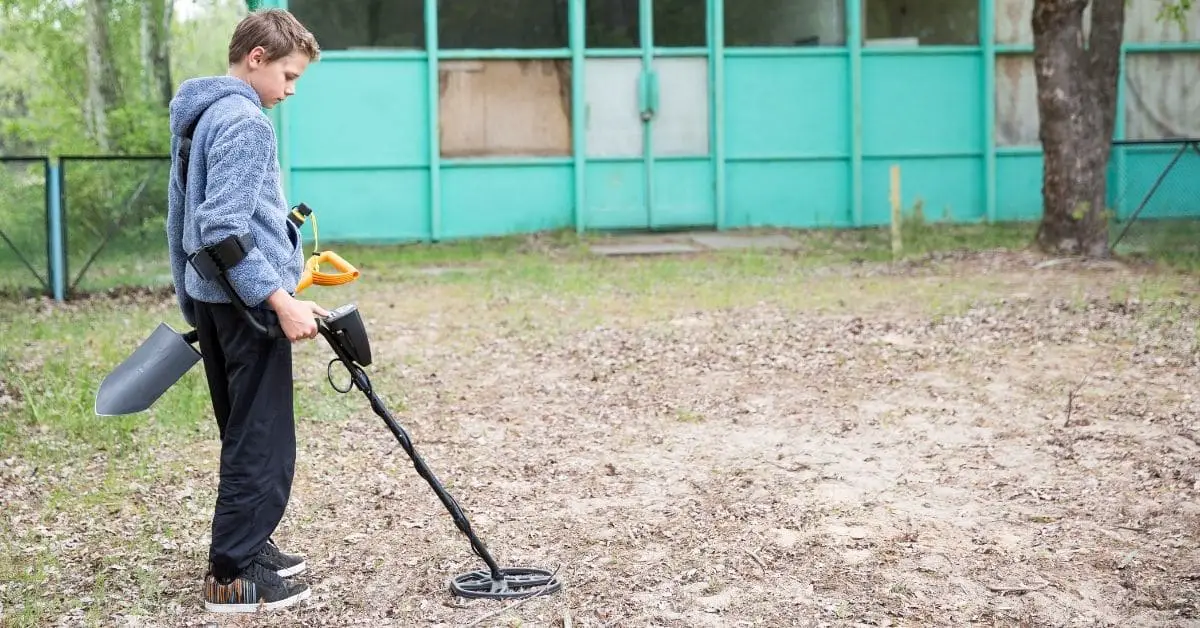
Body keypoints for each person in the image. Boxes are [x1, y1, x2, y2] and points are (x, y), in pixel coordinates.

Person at [165, 8, 327, 613]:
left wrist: (195, 296)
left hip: (216, 299)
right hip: (244, 304)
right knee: (261, 442)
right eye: (288, 76)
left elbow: (184, 221)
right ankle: (233, 575)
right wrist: (279, 299)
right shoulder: (243, 120)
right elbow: (221, 229)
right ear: (255, 58)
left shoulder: (202, 115)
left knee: (244, 433)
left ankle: (250, 547)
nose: (289, 90)